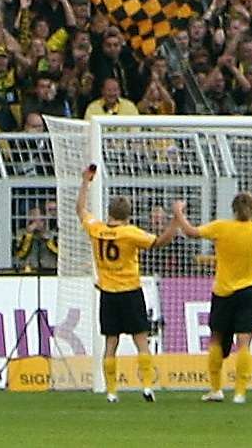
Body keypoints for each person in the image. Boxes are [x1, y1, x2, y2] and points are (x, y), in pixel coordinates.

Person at [77, 163, 177, 402]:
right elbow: (159, 242)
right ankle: (146, 387)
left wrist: (85, 182)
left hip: (108, 294)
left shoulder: (96, 229)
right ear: (128, 215)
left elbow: (80, 209)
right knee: (141, 340)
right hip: (130, 291)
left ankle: (111, 392)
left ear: (109, 212)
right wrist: (176, 222)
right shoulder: (131, 233)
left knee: (111, 342)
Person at [186, 193, 252, 405]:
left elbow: (191, 232)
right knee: (244, 343)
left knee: (216, 339)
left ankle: (216, 389)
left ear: (233, 209)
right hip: (247, 291)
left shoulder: (221, 227)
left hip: (223, 291)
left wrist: (179, 213)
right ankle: (240, 392)